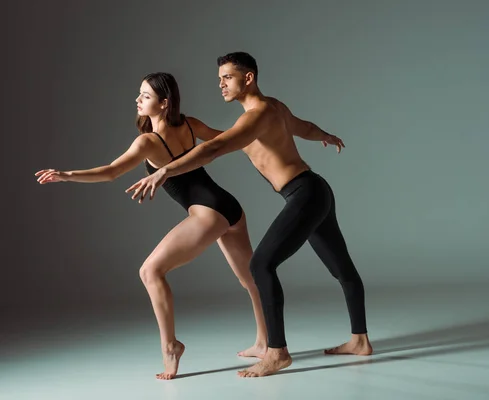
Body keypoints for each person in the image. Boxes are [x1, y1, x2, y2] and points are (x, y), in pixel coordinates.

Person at [127, 54, 373, 378]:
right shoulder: (274, 109)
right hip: (316, 190)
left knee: (260, 265)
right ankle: (360, 341)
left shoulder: (255, 116)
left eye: (227, 78)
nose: (221, 84)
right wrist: (325, 135)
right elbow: (303, 127)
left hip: (305, 193)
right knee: (341, 268)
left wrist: (164, 171)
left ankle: (277, 353)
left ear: (248, 78)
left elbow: (212, 150)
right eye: (219, 78)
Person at [35, 72, 267, 380]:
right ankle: (266, 342)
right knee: (250, 279)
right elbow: (228, 139)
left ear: (163, 103)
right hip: (230, 208)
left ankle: (171, 346)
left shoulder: (148, 142)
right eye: (139, 94)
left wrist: (66, 174)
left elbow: (110, 172)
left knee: (150, 271)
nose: (137, 100)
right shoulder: (190, 124)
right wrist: (270, 139)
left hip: (209, 214)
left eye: (145, 96)